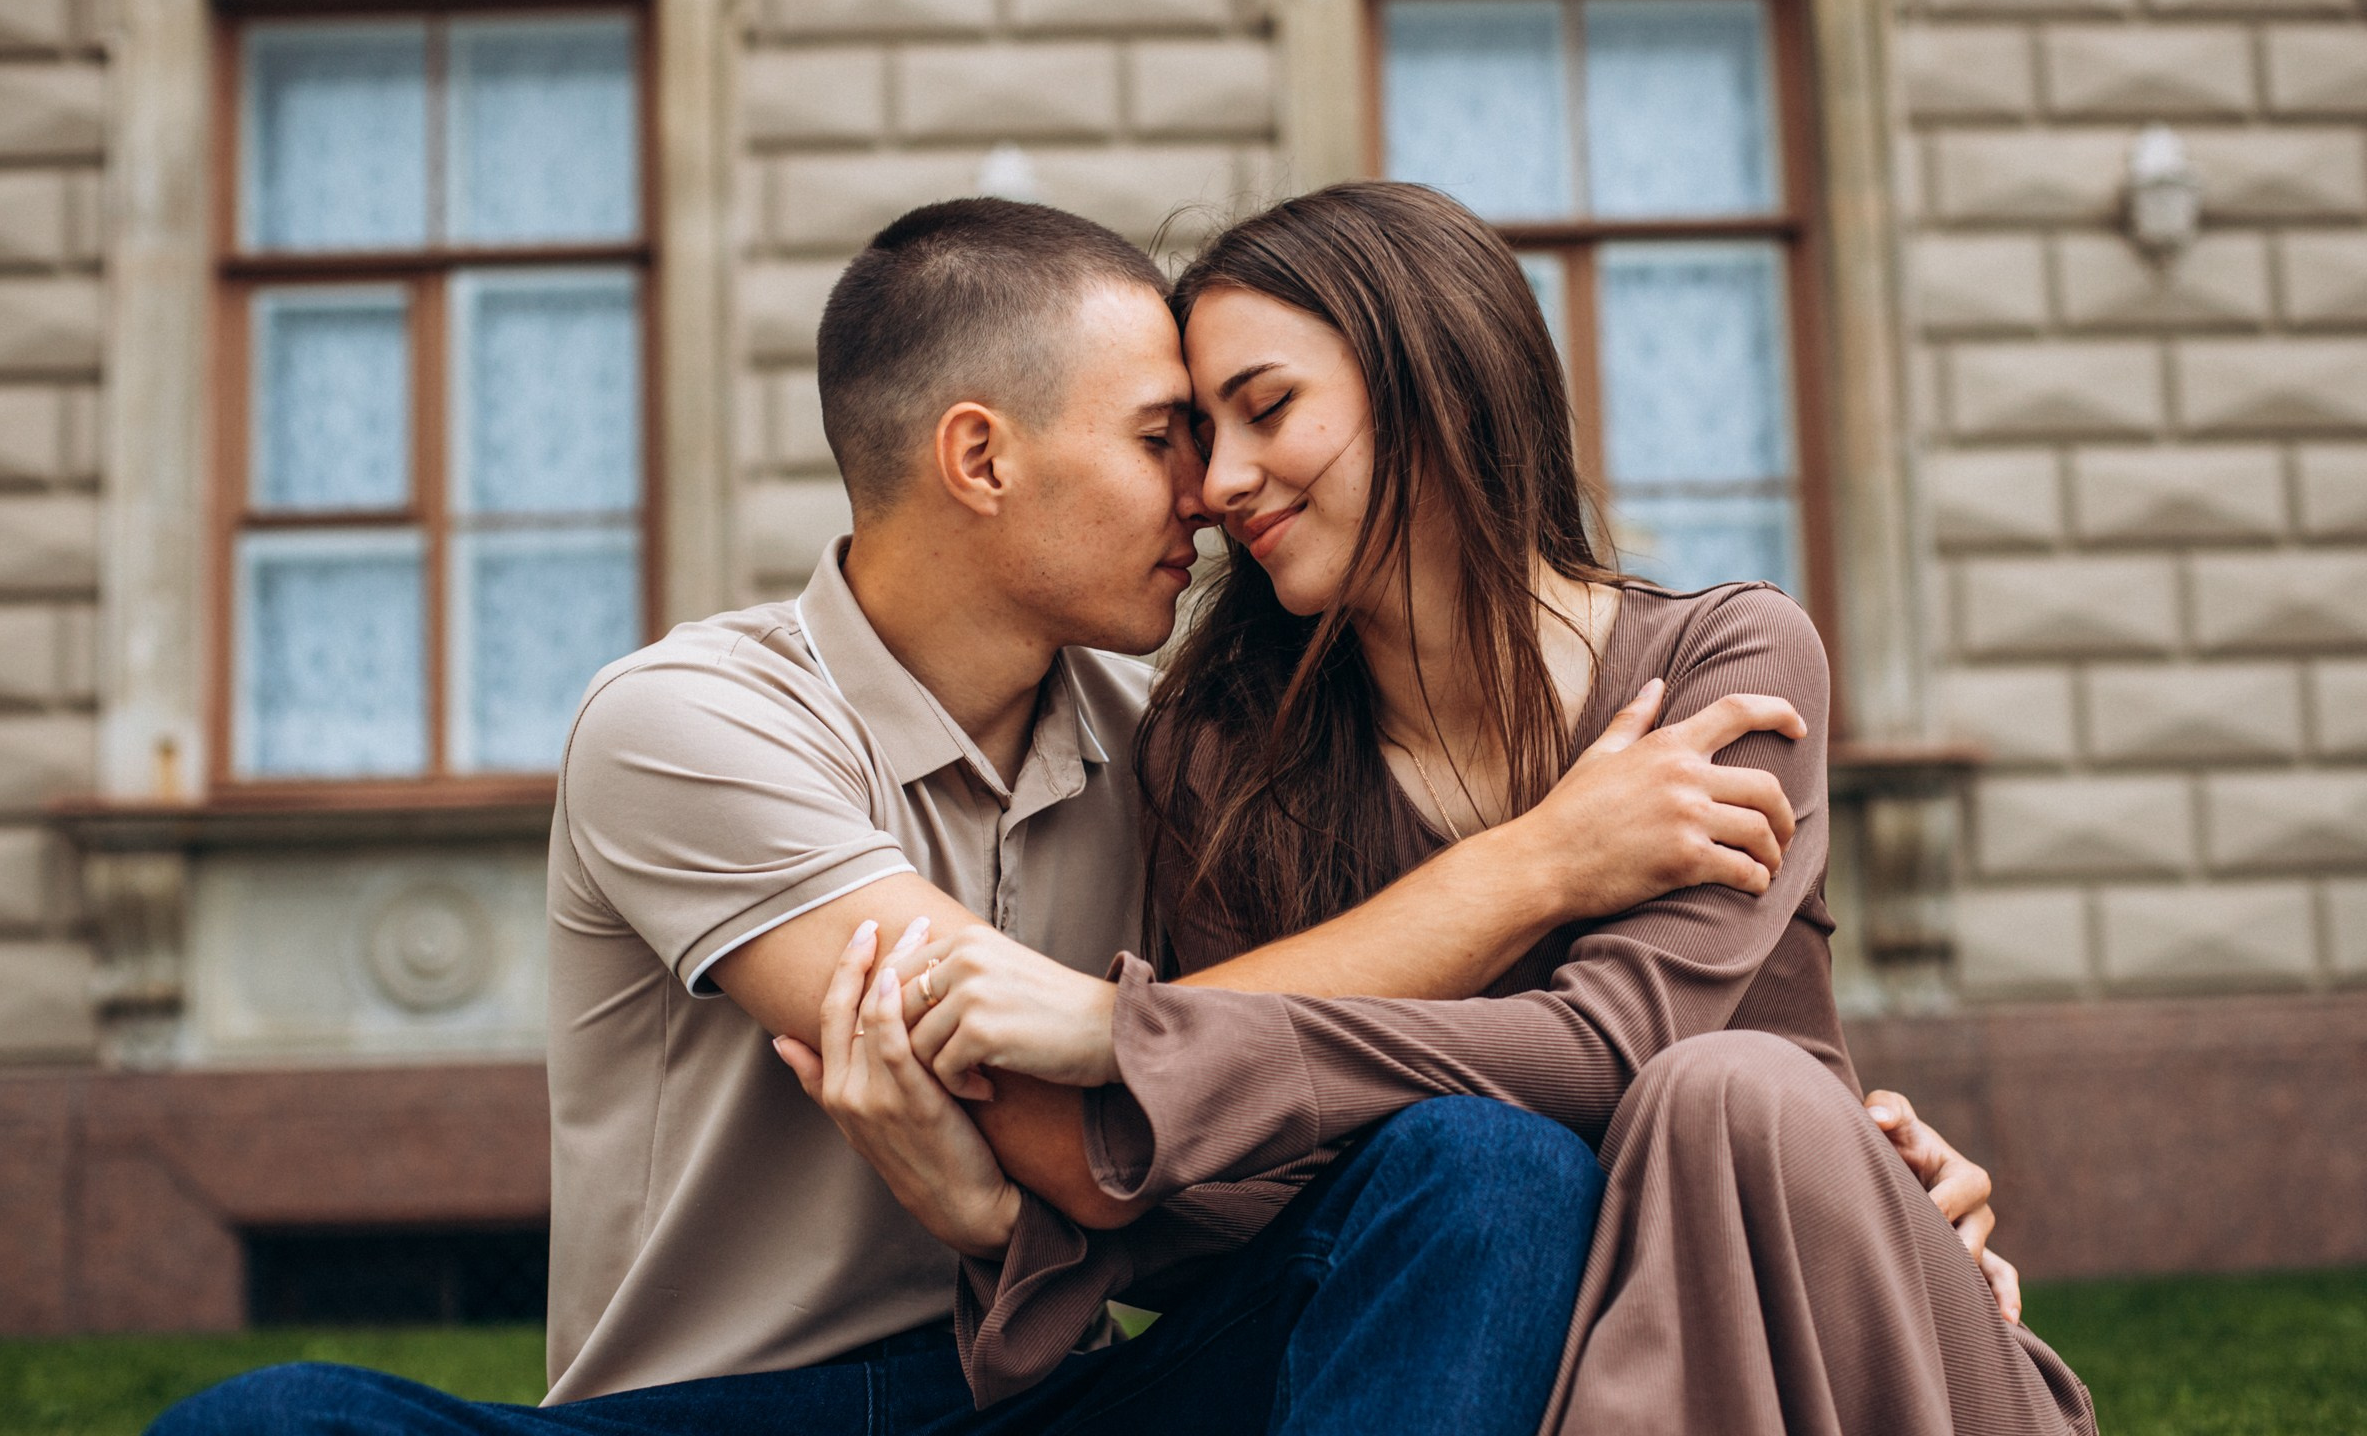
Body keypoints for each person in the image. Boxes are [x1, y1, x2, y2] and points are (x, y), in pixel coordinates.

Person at [152, 198, 2002, 1436]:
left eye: (1243, 424)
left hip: (1031, 1381)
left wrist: (1815, 1139)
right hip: (731, 1402)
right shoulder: (692, 723)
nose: (1212, 493)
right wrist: (1536, 863)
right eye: (1169, 436)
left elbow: (1197, 1118)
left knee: (1486, 1176)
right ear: (981, 457)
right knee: (274, 1424)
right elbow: (1060, 1110)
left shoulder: (1167, 730)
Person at [879, 183, 2096, 1435]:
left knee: (1730, 1096)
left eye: (1268, 408)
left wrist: (1144, 1040)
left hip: (1831, 1353)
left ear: (1433, 374)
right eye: (1194, 432)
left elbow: (1620, 1047)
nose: (1220, 485)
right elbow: (1258, 1194)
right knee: (1494, 1168)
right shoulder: (1226, 755)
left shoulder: (1731, 660)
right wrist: (1026, 1188)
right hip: (1487, 1358)